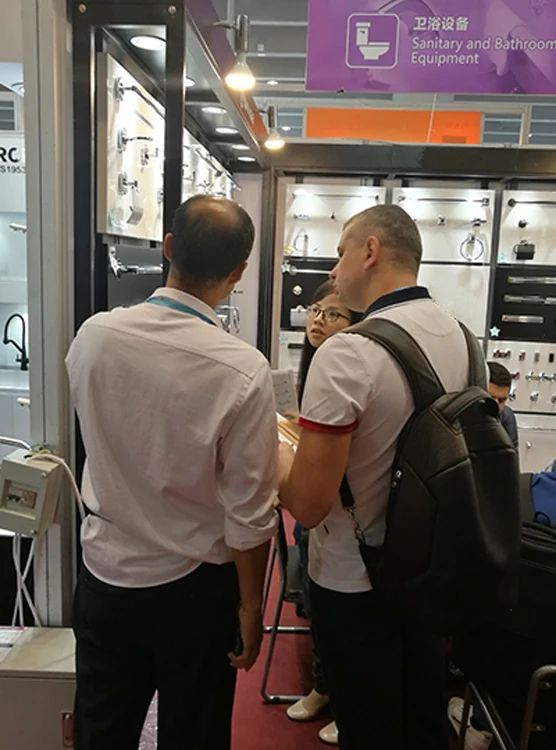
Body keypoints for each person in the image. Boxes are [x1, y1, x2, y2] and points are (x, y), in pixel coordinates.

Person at [66, 195, 279, 750]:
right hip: (195, 588)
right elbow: (250, 512)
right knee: (195, 733)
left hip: (104, 570)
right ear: (238, 272)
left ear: (167, 248)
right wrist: (251, 605)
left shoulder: (94, 336)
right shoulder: (243, 369)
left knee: (101, 728)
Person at [278, 204, 473, 750]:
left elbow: (309, 504)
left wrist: (275, 451)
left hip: (355, 578)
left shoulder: (349, 352)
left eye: (341, 252)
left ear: (370, 252)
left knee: (369, 727)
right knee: (421, 721)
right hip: (431, 571)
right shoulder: (462, 336)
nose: (334, 269)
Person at [287, 281, 360, 746]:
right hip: (317, 505)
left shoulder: (353, 367)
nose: (318, 320)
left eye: (333, 314)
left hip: (346, 511)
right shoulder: (314, 364)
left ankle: (343, 699)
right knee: (316, 598)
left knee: (342, 616)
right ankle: (323, 686)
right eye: (316, 310)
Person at [488, 362, 519, 451]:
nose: (496, 406)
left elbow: (511, 455)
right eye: (491, 398)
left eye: (501, 400)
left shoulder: (506, 417)